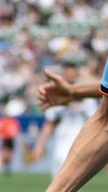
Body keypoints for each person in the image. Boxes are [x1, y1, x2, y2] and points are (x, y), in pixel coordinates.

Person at [44, 62, 108, 191]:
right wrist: (74, 91)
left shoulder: (88, 104)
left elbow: (103, 124)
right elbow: (103, 124)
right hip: (68, 145)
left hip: (80, 142)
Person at [33, 62, 98, 178]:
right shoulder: (57, 95)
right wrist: (40, 144)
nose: (71, 75)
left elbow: (97, 122)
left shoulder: (88, 99)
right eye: (68, 71)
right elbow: (50, 123)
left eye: (73, 71)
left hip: (80, 141)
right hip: (61, 143)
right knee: (59, 179)